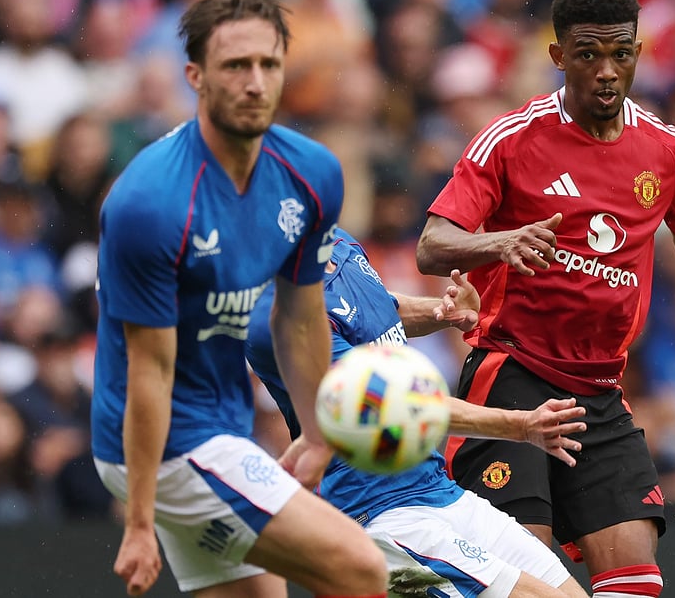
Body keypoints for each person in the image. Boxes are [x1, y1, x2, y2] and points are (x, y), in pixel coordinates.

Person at [416, 0, 675, 597]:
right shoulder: (512, 139)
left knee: (636, 582)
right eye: (589, 55)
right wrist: (498, 242)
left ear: (639, 52)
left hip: (599, 392)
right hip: (513, 376)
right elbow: (433, 243)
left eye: (622, 53)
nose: (608, 71)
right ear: (559, 57)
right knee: (525, 581)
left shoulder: (666, 151)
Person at [90, 0, 387, 598]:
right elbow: (150, 369)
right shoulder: (149, 202)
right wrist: (140, 521)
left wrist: (313, 432)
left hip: (221, 429)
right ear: (195, 76)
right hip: (162, 444)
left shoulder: (312, 173)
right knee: (361, 568)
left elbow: (301, 317)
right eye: (235, 66)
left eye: (268, 65)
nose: (255, 83)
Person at [245, 228, 590, 598]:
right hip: (379, 514)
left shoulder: (339, 243)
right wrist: (522, 425)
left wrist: (445, 311)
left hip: (436, 488)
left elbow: (380, 306)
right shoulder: (276, 315)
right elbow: (396, 405)